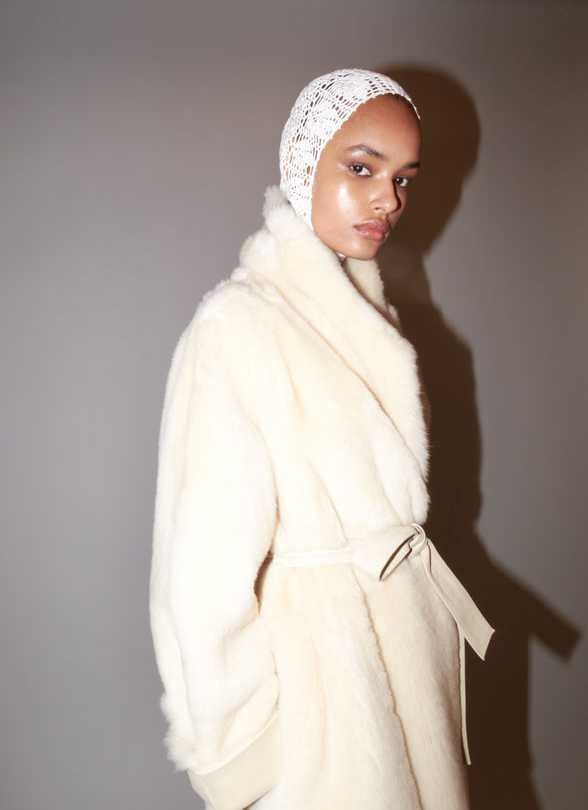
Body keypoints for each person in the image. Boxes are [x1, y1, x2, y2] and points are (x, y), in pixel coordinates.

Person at [149, 69, 493, 810]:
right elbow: (200, 578)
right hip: (327, 721)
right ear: (301, 164)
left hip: (407, 682)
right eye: (362, 168)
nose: (388, 199)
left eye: (403, 179)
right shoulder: (238, 327)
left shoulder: (378, 325)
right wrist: (260, 747)